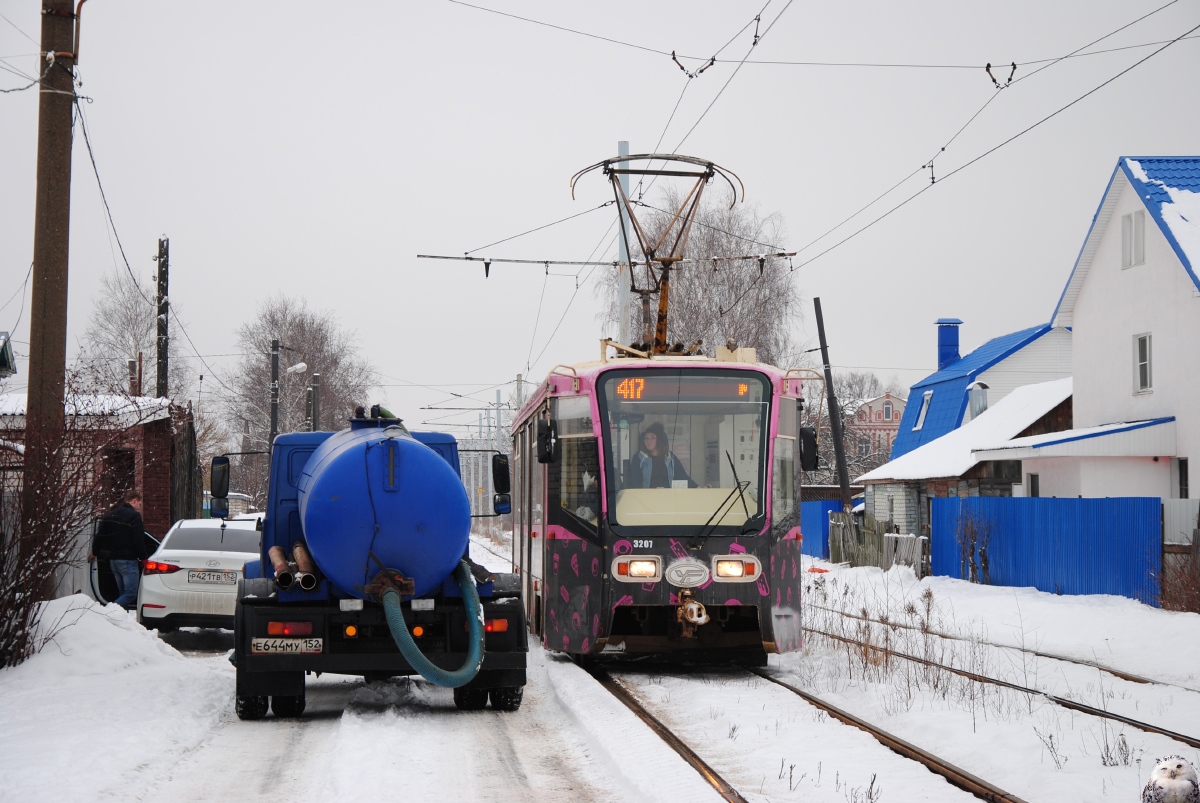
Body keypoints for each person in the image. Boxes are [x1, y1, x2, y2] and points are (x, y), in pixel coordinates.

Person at [89, 490, 148, 611]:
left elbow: (100, 536)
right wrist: (143, 558)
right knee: (130, 594)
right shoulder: (134, 516)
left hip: (113, 560)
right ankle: (109, 611)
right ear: (135, 501)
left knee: (123, 594)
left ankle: (121, 618)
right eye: (139, 504)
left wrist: (95, 552)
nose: (139, 507)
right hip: (128, 560)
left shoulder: (110, 515)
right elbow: (138, 539)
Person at [628, 422, 696, 489]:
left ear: (660, 440)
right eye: (646, 438)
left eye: (652, 438)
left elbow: (683, 477)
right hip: (647, 495)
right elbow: (635, 482)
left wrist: (697, 487)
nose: (649, 441)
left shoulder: (670, 458)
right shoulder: (639, 458)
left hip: (668, 495)